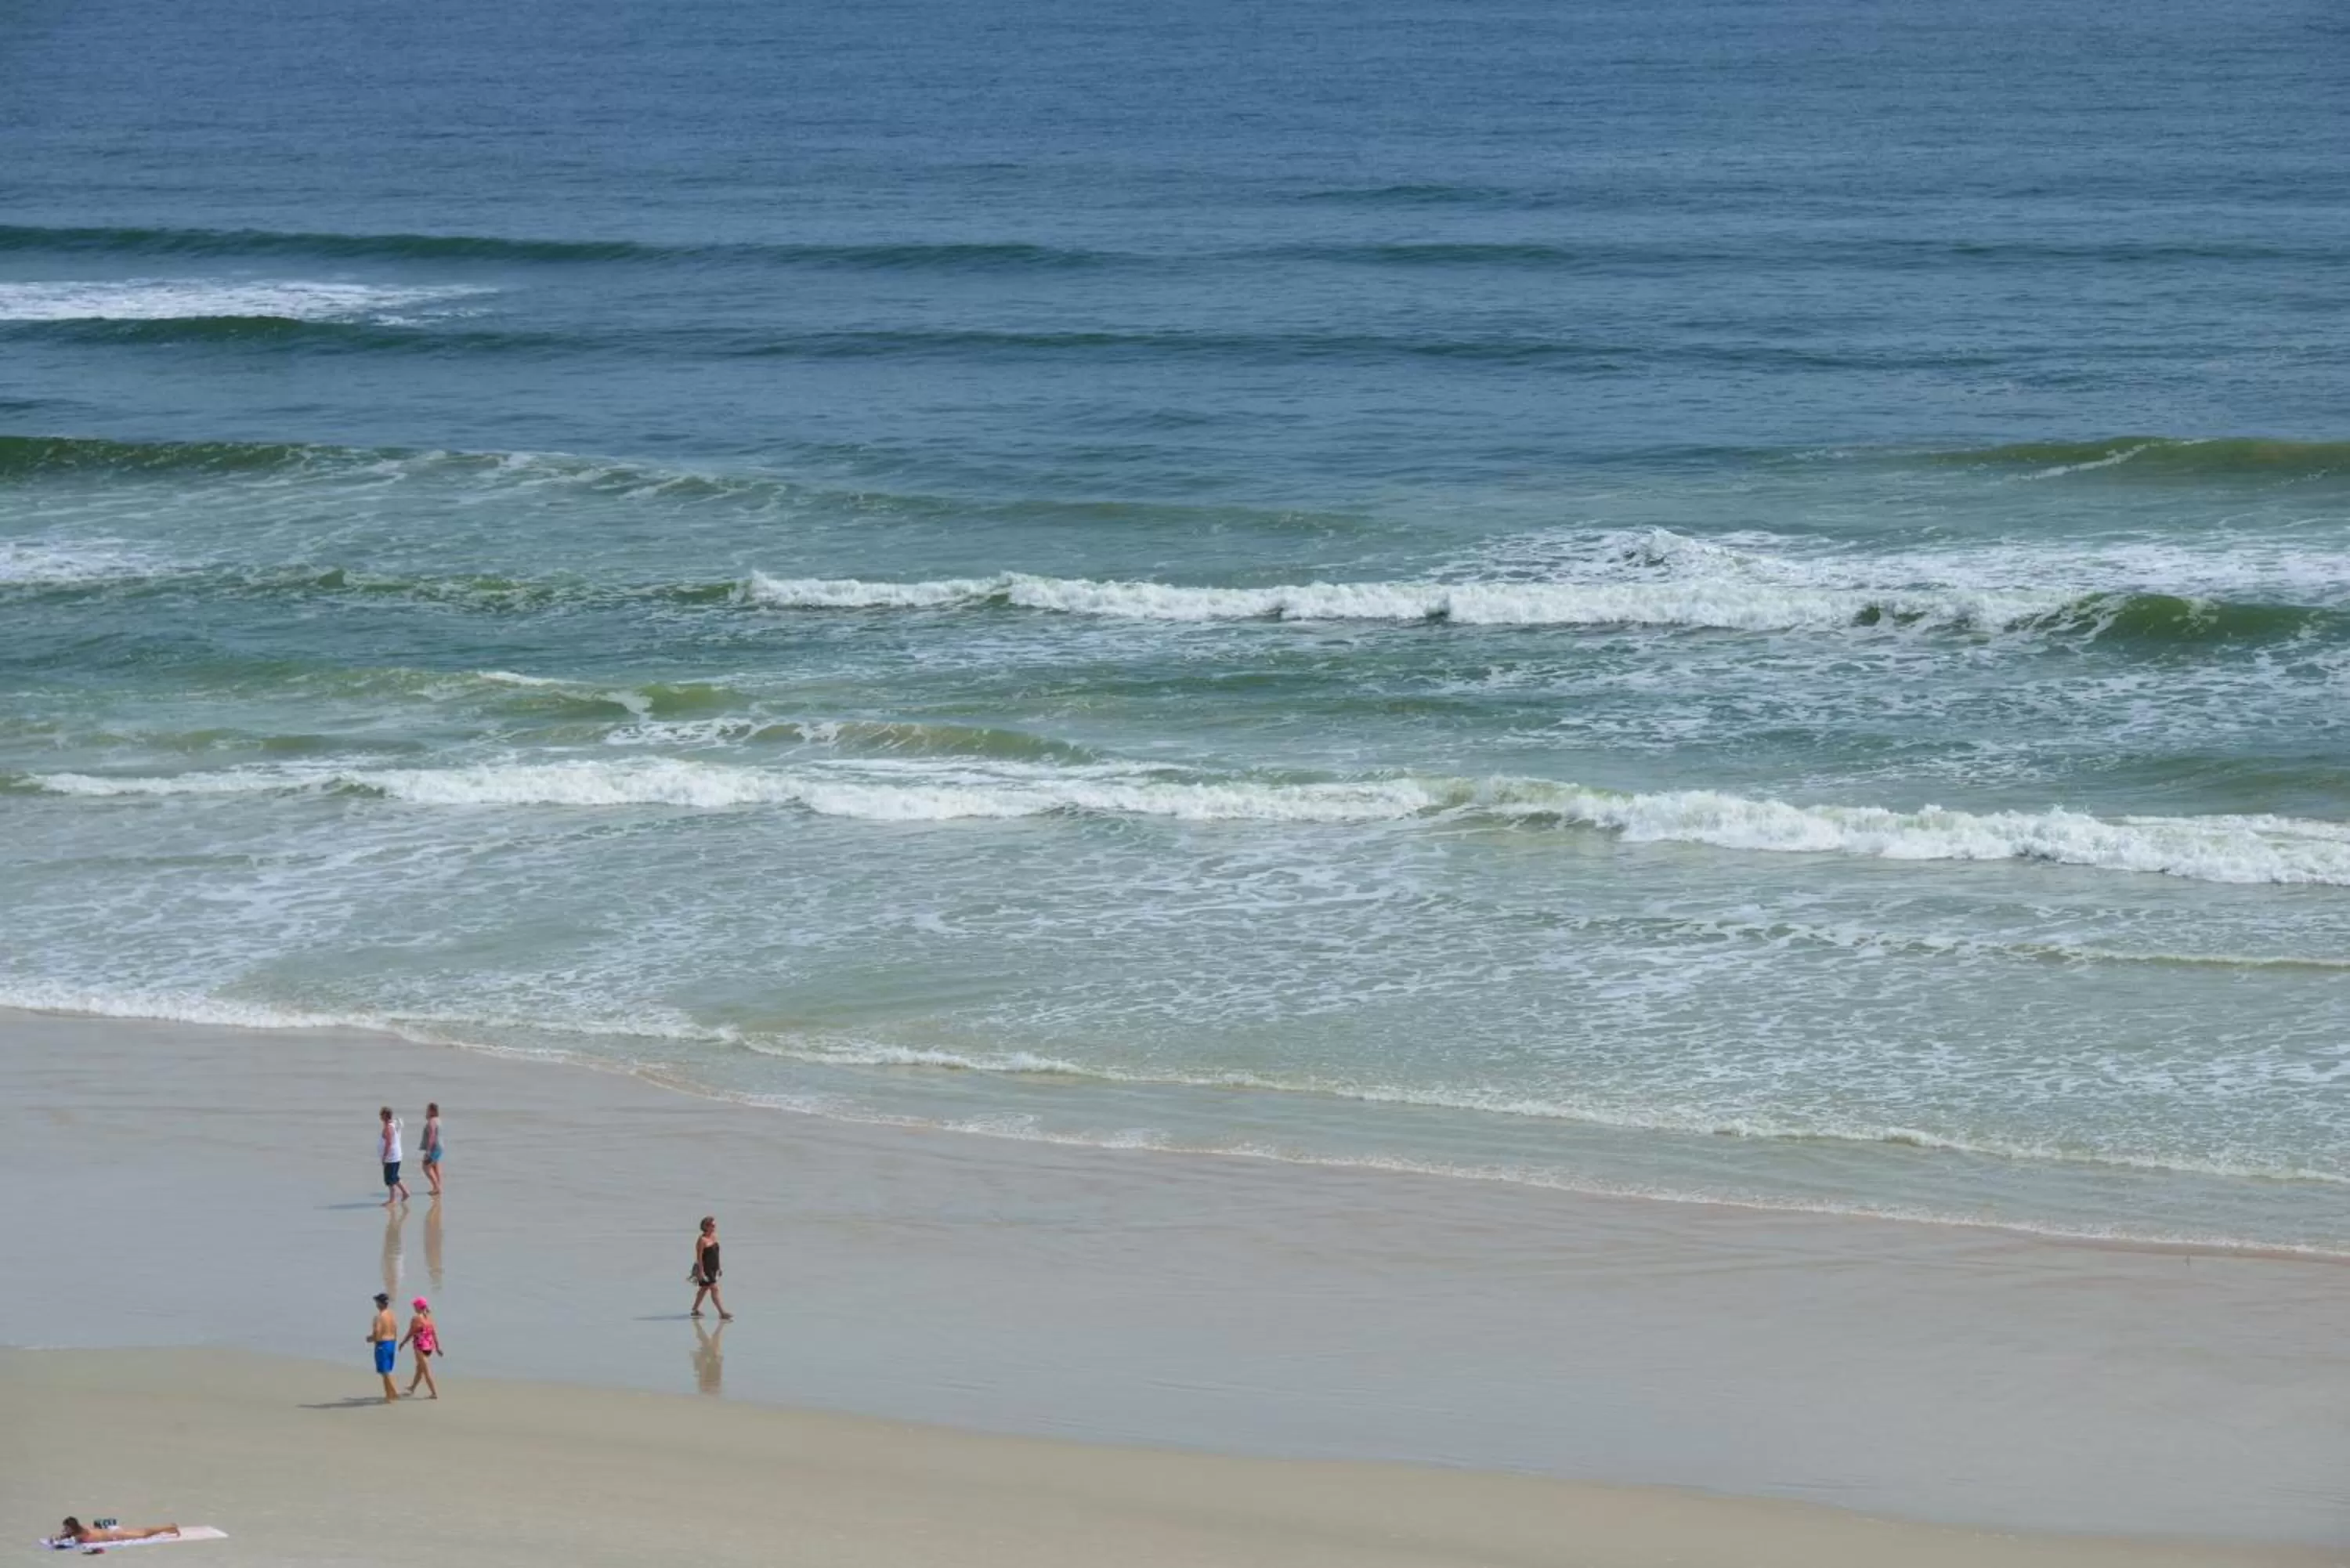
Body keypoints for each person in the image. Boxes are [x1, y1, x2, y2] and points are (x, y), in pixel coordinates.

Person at [689, 1215, 732, 1321]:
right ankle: (722, 1313)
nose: (714, 1227)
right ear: (706, 1226)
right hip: (706, 1268)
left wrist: (719, 1267)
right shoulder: (702, 1240)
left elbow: (717, 1253)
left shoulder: (714, 1236)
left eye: (715, 1225)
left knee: (704, 1289)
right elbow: (699, 1257)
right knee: (714, 1289)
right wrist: (701, 1271)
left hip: (714, 1267)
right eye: (712, 1225)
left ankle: (695, 1310)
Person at [401, 1296, 442, 1400]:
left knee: (426, 1371)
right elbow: (434, 1334)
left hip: (420, 1348)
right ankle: (412, 1388)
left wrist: (402, 1343)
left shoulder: (416, 1319)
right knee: (419, 1369)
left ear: (418, 1307)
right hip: (429, 1348)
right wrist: (437, 1348)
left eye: (414, 1306)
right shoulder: (429, 1318)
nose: (414, 1308)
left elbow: (410, 1333)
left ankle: (434, 1393)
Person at [368, 1291, 401, 1402]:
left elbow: (377, 1332)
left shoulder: (379, 1317)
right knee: (386, 1372)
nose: (376, 1304)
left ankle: (393, 1394)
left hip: (382, 1344)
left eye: (377, 1302)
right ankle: (389, 1395)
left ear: (381, 1304)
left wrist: (371, 1339)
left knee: (385, 1372)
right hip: (392, 1343)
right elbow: (396, 1329)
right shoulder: (392, 1314)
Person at [52, 1519, 180, 1547]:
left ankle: (170, 1527)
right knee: (142, 1531)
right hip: (111, 1532)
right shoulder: (78, 1530)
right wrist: (59, 1537)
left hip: (114, 1535)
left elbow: (67, 1541)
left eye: (66, 1527)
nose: (65, 1530)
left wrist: (57, 1541)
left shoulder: (79, 1533)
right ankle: (168, 1528)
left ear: (73, 1527)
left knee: (144, 1534)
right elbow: (66, 1536)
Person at [378, 1107, 409, 1208]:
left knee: (390, 1179)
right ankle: (405, 1192)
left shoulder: (388, 1128)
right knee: (394, 1176)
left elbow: (389, 1143)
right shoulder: (392, 1125)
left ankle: (392, 1200)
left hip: (391, 1157)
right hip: (396, 1156)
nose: (380, 1117)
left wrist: (384, 1157)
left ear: (385, 1116)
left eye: (381, 1115)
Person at [420, 1102, 444, 1197]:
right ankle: (437, 1187)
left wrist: (428, 1151)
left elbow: (432, 1136)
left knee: (426, 1167)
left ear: (432, 1111)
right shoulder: (438, 1120)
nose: (426, 1112)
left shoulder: (432, 1122)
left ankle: (437, 1188)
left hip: (434, 1148)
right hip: (440, 1147)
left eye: (428, 1110)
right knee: (435, 1166)